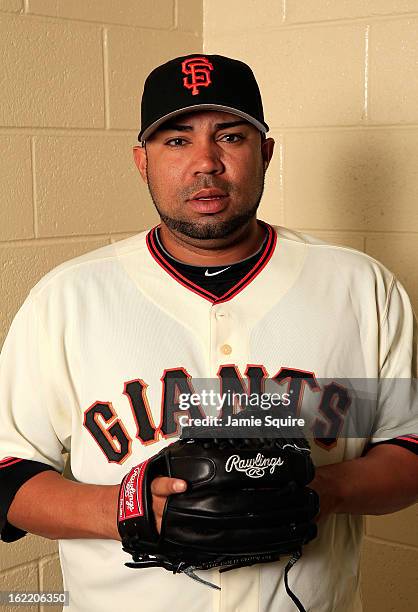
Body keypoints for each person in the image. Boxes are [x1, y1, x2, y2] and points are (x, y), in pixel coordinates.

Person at [0, 53, 417, 612]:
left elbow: (406, 447)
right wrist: (125, 508)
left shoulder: (359, 286)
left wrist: (325, 492)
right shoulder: (67, 298)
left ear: (266, 151)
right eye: (176, 140)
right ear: (141, 160)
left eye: (230, 136)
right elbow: (9, 470)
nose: (206, 163)